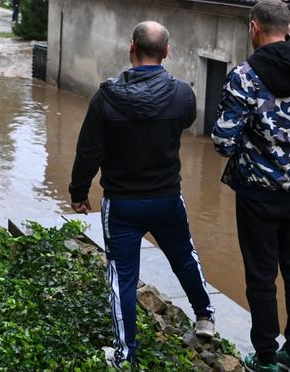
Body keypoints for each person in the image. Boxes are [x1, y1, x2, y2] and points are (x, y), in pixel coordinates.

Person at [70, 21, 215, 369]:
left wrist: (79, 191)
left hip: (122, 204)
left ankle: (125, 357)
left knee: (122, 278)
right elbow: (183, 122)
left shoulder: (106, 98)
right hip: (167, 198)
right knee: (184, 257)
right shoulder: (182, 94)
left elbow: (88, 151)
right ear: (167, 52)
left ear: (131, 47)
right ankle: (205, 317)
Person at [211, 0, 290, 372]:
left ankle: (265, 358)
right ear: (288, 28)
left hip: (257, 193)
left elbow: (223, 141)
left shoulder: (243, 75)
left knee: (261, 275)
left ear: (254, 28)